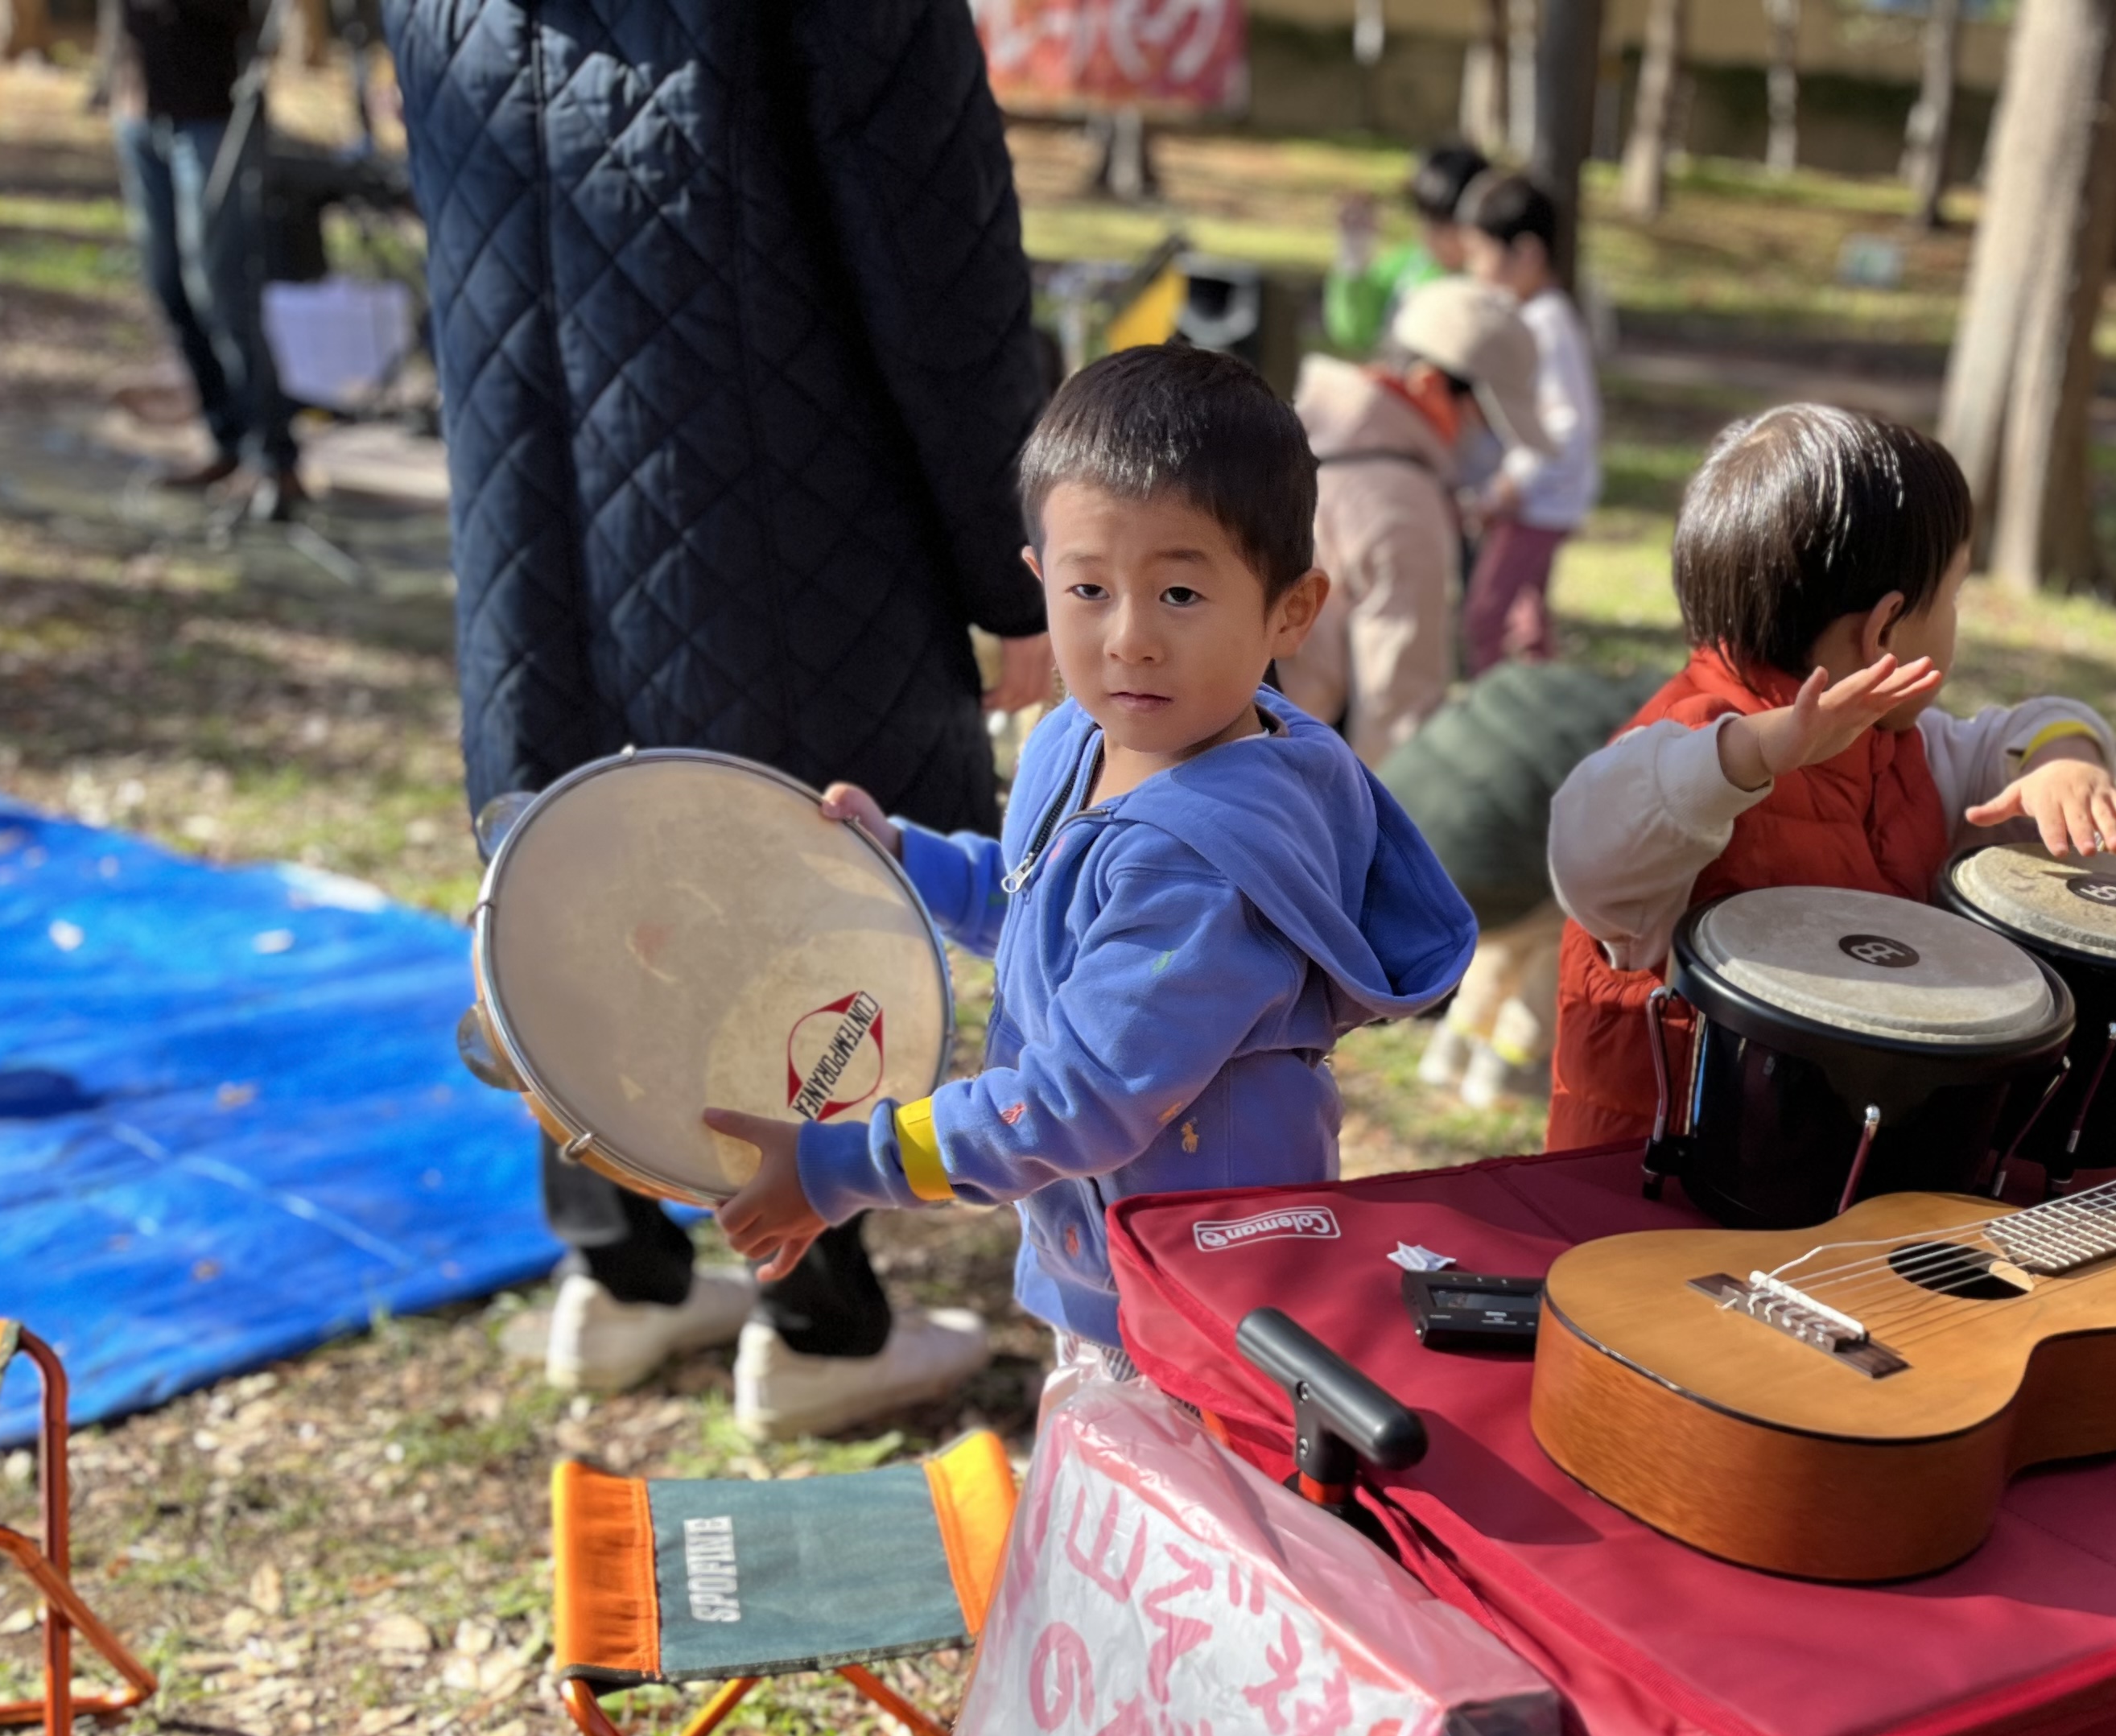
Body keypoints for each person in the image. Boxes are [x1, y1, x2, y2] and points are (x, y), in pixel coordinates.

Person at [387, 0, 1059, 1437]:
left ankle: (621, 1279)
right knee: (792, 881)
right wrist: (1014, 562)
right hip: (774, 500)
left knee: (568, 865)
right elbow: (934, 255)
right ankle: (816, 1326)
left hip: (534, 523)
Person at [703, 348, 1479, 1371]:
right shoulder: (1084, 734)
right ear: (1040, 584)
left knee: (1174, 1522)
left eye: (1181, 596)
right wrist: (909, 863)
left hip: (1201, 1304)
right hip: (1110, 1265)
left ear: (1291, 609)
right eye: (1088, 588)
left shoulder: (1200, 866)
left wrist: (851, 1163)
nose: (1130, 640)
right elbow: (1038, 902)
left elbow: (1078, 1100)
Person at [1542, 402, 2116, 1150]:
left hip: (1840, 1169)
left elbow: (2014, 731)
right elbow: (1589, 843)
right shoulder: (1680, 752)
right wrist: (1753, 754)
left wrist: (2065, 759)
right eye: (1955, 597)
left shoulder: (1897, 741)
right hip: (1659, 1193)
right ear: (1885, 628)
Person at [1281, 276, 1543, 766]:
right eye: (1487, 422)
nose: (1491, 446)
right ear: (1428, 384)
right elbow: (1398, 719)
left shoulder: (1294, 418)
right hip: (1288, 776)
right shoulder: (1403, 504)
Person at [101, 0, 302, 522]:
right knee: (167, 286)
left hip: (213, 110)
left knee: (220, 286)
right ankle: (225, 441)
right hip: (137, 105)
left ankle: (272, 456)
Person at [1458, 175, 1599, 677]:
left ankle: (1495, 717)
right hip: (1546, 496)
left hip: (1540, 501)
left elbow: (1565, 428)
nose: (1476, 271)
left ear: (1527, 253)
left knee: (1486, 617)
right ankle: (1547, 707)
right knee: (1527, 620)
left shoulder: (1544, 326)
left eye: (1482, 254)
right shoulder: (1543, 318)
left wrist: (1510, 485)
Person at [1322, 141, 1487, 361]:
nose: (1428, 233)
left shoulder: (1488, 283)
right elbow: (1354, 331)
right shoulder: (1409, 264)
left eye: (1441, 221)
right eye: (1423, 217)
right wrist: (1354, 258)